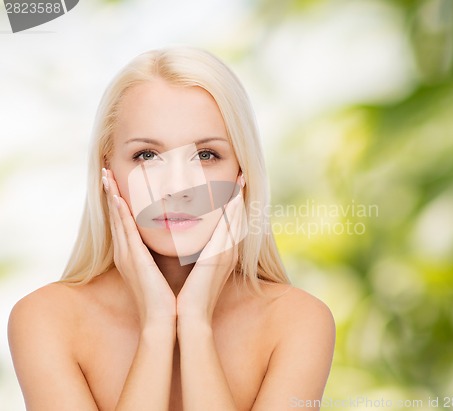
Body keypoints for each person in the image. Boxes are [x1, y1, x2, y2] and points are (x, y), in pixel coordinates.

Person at [8, 47, 335, 411]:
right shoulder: (46, 320)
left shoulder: (297, 323)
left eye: (206, 155)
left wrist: (195, 323)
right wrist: (157, 326)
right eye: (147, 156)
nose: (177, 187)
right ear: (107, 171)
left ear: (242, 171)